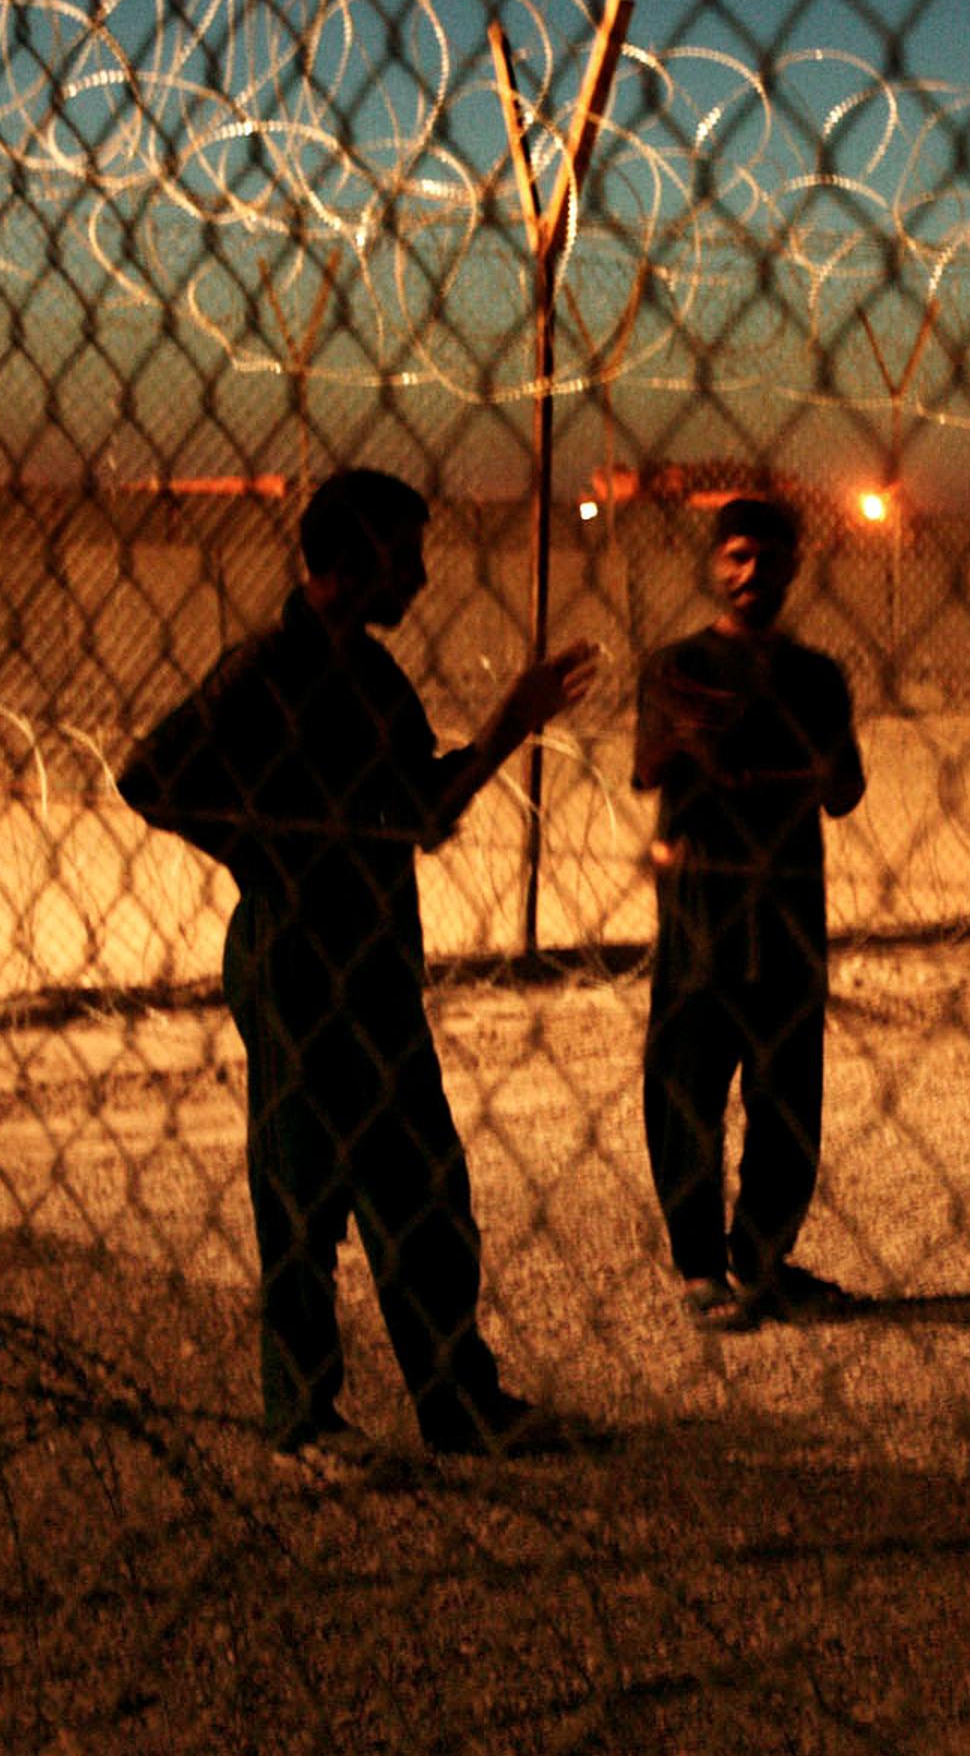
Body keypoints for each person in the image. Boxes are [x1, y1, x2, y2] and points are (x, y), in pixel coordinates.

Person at [119, 469, 597, 1459]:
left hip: (375, 957)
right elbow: (149, 777)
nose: (421, 575)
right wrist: (268, 852)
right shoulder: (264, 670)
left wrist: (511, 723)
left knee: (424, 1184)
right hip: (295, 959)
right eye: (405, 553)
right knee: (301, 1188)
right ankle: (301, 1416)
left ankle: (456, 1399)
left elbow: (421, 811)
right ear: (350, 557)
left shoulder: (375, 680)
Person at [633, 496, 867, 1331]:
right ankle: (700, 1268)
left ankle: (763, 1259)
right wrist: (701, 739)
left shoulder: (816, 677)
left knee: (789, 1098)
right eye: (736, 557)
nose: (751, 573)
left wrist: (755, 762)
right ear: (715, 565)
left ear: (794, 566)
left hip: (791, 911)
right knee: (686, 1088)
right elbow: (652, 768)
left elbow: (844, 789)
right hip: (704, 915)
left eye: (767, 558)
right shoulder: (678, 665)